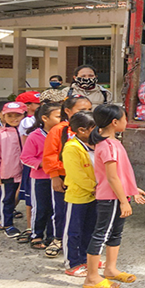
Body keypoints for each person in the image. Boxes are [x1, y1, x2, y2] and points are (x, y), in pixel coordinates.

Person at [85, 104, 145, 288]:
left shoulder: (114, 143)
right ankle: (91, 277)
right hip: (111, 198)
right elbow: (111, 177)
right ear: (115, 122)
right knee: (101, 235)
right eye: (124, 118)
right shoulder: (108, 146)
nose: (126, 122)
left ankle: (110, 269)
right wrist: (123, 201)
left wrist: (133, 188)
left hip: (119, 195)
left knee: (115, 234)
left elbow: (121, 173)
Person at [42, 95, 93, 258]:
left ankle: (81, 245)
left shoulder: (92, 129)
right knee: (61, 210)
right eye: (82, 110)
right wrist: (54, 176)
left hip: (85, 179)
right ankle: (58, 238)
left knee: (82, 215)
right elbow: (49, 154)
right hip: (64, 178)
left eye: (89, 110)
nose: (87, 113)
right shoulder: (59, 129)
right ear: (68, 111)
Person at [20, 102, 62, 250]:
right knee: (40, 207)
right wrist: (43, 163)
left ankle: (52, 236)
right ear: (45, 118)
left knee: (55, 208)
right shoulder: (34, 136)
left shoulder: (64, 134)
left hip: (59, 177)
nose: (62, 119)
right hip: (40, 178)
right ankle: (36, 234)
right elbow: (25, 157)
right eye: (58, 116)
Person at [61, 111, 97, 277]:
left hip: (93, 196)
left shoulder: (93, 145)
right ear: (82, 130)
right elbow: (77, 175)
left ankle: (85, 259)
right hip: (78, 196)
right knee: (73, 231)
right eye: (94, 128)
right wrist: (96, 188)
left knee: (89, 229)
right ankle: (72, 263)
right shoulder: (71, 148)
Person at [0, 102, 27, 238]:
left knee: (30, 199)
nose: (14, 119)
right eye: (9, 115)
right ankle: (7, 224)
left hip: (28, 172)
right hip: (8, 173)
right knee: (8, 199)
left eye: (18, 115)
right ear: (3, 116)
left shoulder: (29, 132)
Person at [15, 90, 41, 243]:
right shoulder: (27, 122)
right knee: (29, 195)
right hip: (32, 163)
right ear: (28, 106)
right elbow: (26, 147)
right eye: (37, 104)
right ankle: (30, 226)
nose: (40, 106)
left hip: (40, 163)